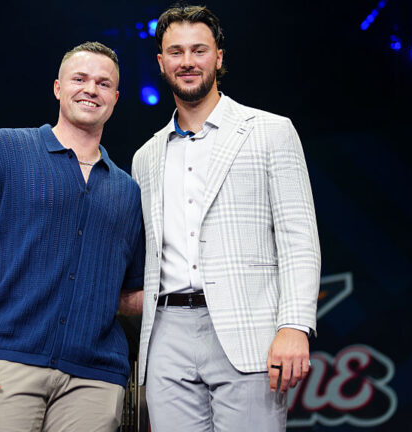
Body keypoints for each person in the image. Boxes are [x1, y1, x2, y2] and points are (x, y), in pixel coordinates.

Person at [129, 5, 321, 431]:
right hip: (166, 334)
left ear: (218, 57)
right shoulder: (145, 157)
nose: (187, 61)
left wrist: (294, 325)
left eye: (199, 50)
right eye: (176, 52)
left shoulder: (271, 131)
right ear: (161, 62)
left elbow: (299, 238)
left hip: (248, 327)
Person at [0, 40, 144, 432]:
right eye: (79, 79)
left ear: (115, 98)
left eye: (103, 83)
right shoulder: (4, 149)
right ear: (57, 88)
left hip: (95, 379)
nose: (91, 89)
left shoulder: (127, 191)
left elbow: (129, 294)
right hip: (5, 364)